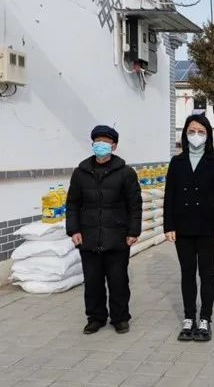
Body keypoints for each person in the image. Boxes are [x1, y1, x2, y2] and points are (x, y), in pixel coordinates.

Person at [66, 125, 142, 335]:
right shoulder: (80, 173)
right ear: (92, 144)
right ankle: (95, 317)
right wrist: (74, 230)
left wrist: (133, 231)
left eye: (106, 142)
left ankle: (120, 318)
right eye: (97, 141)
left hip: (117, 237)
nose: (101, 145)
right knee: (92, 282)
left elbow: (135, 205)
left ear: (114, 146)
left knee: (118, 281)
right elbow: (72, 204)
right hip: (89, 236)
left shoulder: (126, 173)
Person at [164, 114, 214, 342]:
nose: (196, 135)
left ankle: (205, 319)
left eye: (201, 132)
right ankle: (189, 317)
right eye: (192, 131)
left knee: (207, 272)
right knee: (187, 272)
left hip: (208, 227)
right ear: (185, 134)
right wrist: (169, 226)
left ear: (208, 135)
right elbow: (170, 195)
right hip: (182, 227)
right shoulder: (177, 162)